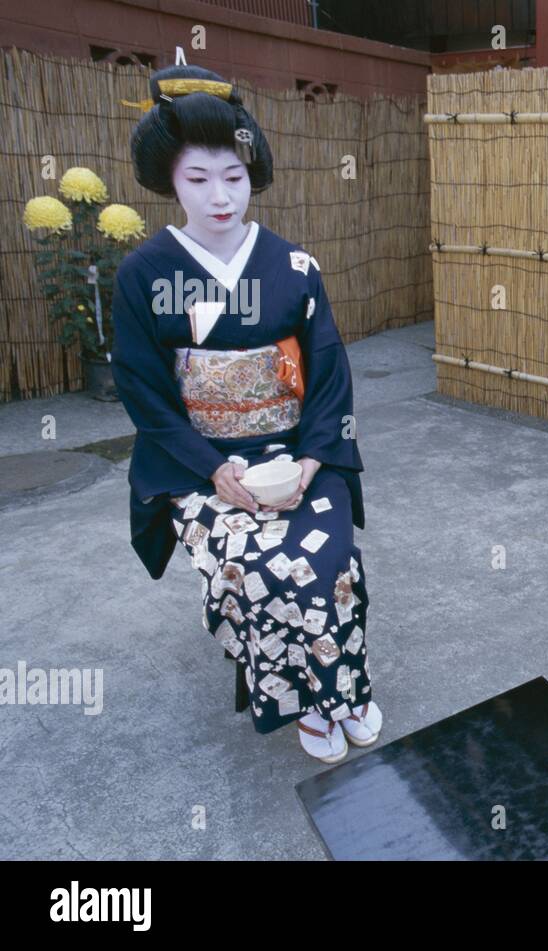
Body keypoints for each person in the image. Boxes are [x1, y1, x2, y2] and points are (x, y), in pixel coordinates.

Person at [110, 64, 381, 763]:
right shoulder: (144, 273)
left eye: (233, 175)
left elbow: (328, 373)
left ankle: (344, 687)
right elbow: (143, 389)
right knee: (259, 564)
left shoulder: (293, 267)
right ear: (170, 180)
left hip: (297, 452)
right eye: (199, 179)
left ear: (250, 170)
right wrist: (212, 467)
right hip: (199, 465)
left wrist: (317, 458)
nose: (220, 195)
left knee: (329, 556)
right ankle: (308, 702)